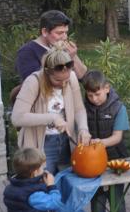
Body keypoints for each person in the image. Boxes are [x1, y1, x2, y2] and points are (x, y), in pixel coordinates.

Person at [11, 41, 91, 175]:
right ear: (47, 72)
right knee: (43, 187)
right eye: (58, 81)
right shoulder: (33, 82)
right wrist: (53, 118)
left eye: (66, 80)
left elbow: (79, 108)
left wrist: (83, 128)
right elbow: (17, 118)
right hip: (42, 144)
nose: (64, 83)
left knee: (66, 185)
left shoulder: (70, 77)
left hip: (66, 141)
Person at [82, 70, 130, 212]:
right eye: (90, 95)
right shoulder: (83, 107)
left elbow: (117, 137)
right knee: (97, 200)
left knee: (117, 201)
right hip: (91, 163)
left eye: (97, 94)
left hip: (115, 161)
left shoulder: (118, 108)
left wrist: (100, 143)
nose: (94, 99)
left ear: (106, 88)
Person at [16, 10, 87, 82]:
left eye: (66, 32)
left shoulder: (63, 49)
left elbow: (83, 77)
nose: (64, 37)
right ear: (45, 32)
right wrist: (54, 55)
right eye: (59, 33)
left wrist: (73, 57)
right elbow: (32, 81)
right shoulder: (27, 52)